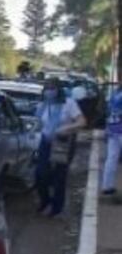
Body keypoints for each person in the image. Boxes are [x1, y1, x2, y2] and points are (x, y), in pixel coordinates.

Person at [35, 77, 87, 216]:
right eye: (47, 89)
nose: (49, 92)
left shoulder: (69, 103)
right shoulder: (43, 105)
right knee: (40, 174)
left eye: (52, 88)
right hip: (46, 141)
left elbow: (82, 122)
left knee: (59, 175)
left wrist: (67, 127)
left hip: (62, 143)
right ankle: (45, 200)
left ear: (58, 90)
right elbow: (39, 123)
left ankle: (56, 207)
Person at [102, 87, 122, 195]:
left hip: (112, 128)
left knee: (111, 158)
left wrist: (106, 129)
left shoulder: (115, 93)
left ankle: (107, 186)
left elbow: (108, 111)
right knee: (111, 158)